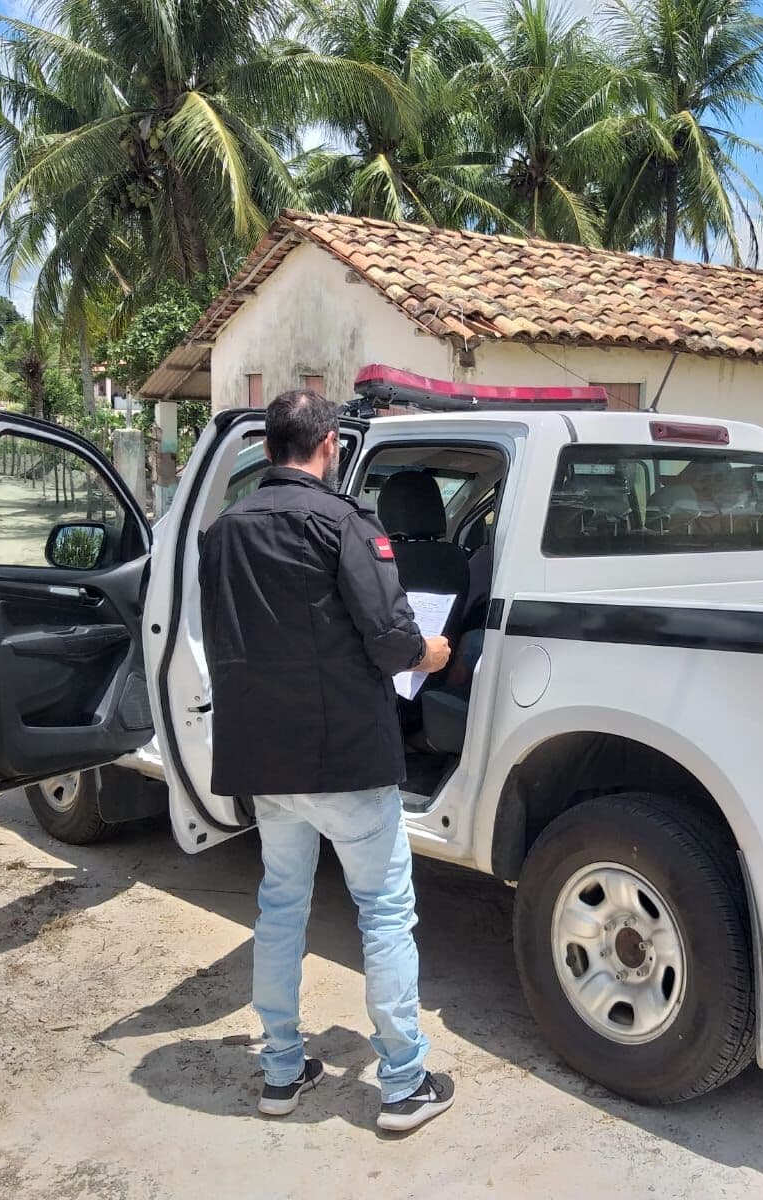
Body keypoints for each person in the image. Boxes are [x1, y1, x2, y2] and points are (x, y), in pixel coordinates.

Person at [199, 388, 455, 1132]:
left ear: (269, 445)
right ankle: (403, 1086)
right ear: (329, 446)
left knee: (280, 909)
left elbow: (224, 635)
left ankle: (281, 1072)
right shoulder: (342, 522)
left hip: (264, 760)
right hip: (345, 757)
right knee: (383, 914)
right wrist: (430, 652)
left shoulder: (221, 530)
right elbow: (391, 639)